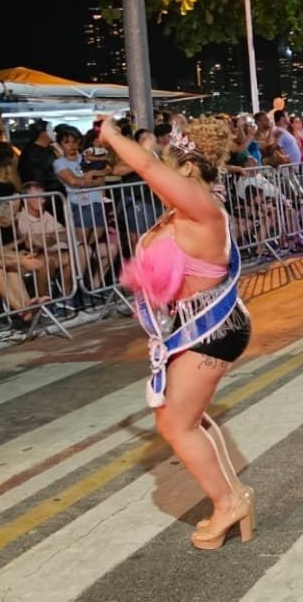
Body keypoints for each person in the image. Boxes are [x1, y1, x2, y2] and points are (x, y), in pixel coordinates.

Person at [100, 115, 255, 551]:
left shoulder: (202, 208)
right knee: (190, 419)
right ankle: (234, 496)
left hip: (211, 330)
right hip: (196, 328)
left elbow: (147, 167)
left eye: (171, 166)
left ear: (186, 169)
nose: (160, 177)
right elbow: (153, 170)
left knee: (175, 423)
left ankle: (228, 503)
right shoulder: (186, 208)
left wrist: (112, 135)